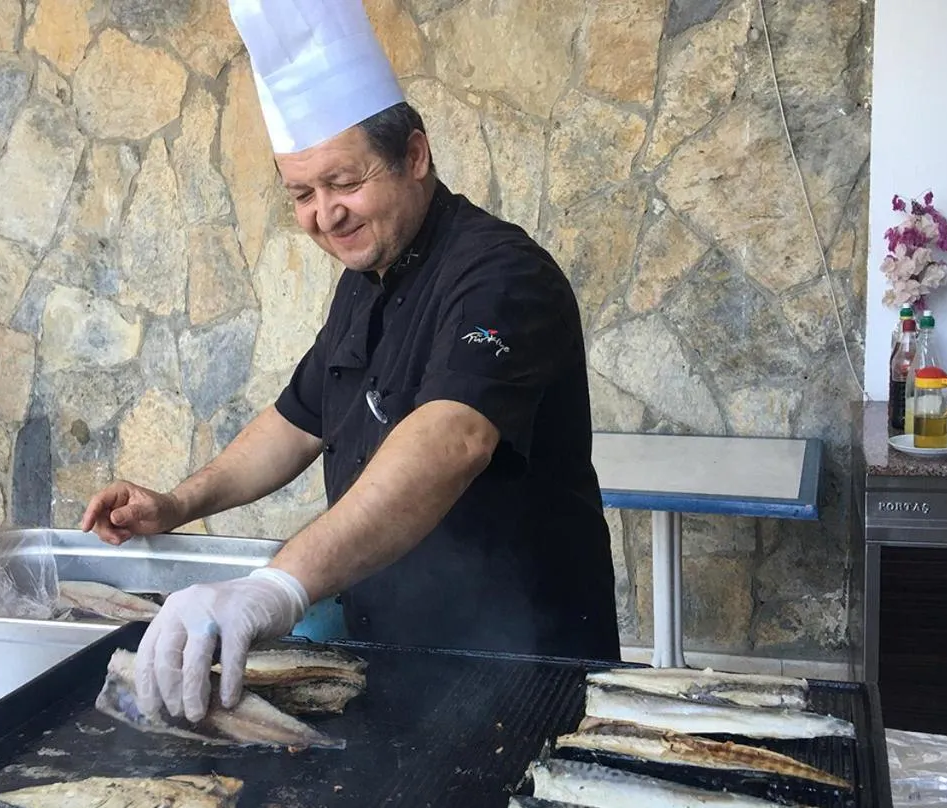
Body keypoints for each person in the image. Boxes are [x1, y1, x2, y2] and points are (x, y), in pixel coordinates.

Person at [81, 0, 619, 725]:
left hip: (525, 664)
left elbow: (451, 438)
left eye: (344, 182)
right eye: (301, 193)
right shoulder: (366, 283)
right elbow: (295, 423)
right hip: (398, 660)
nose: (325, 214)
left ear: (415, 156)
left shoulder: (503, 276)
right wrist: (181, 504)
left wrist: (279, 587)